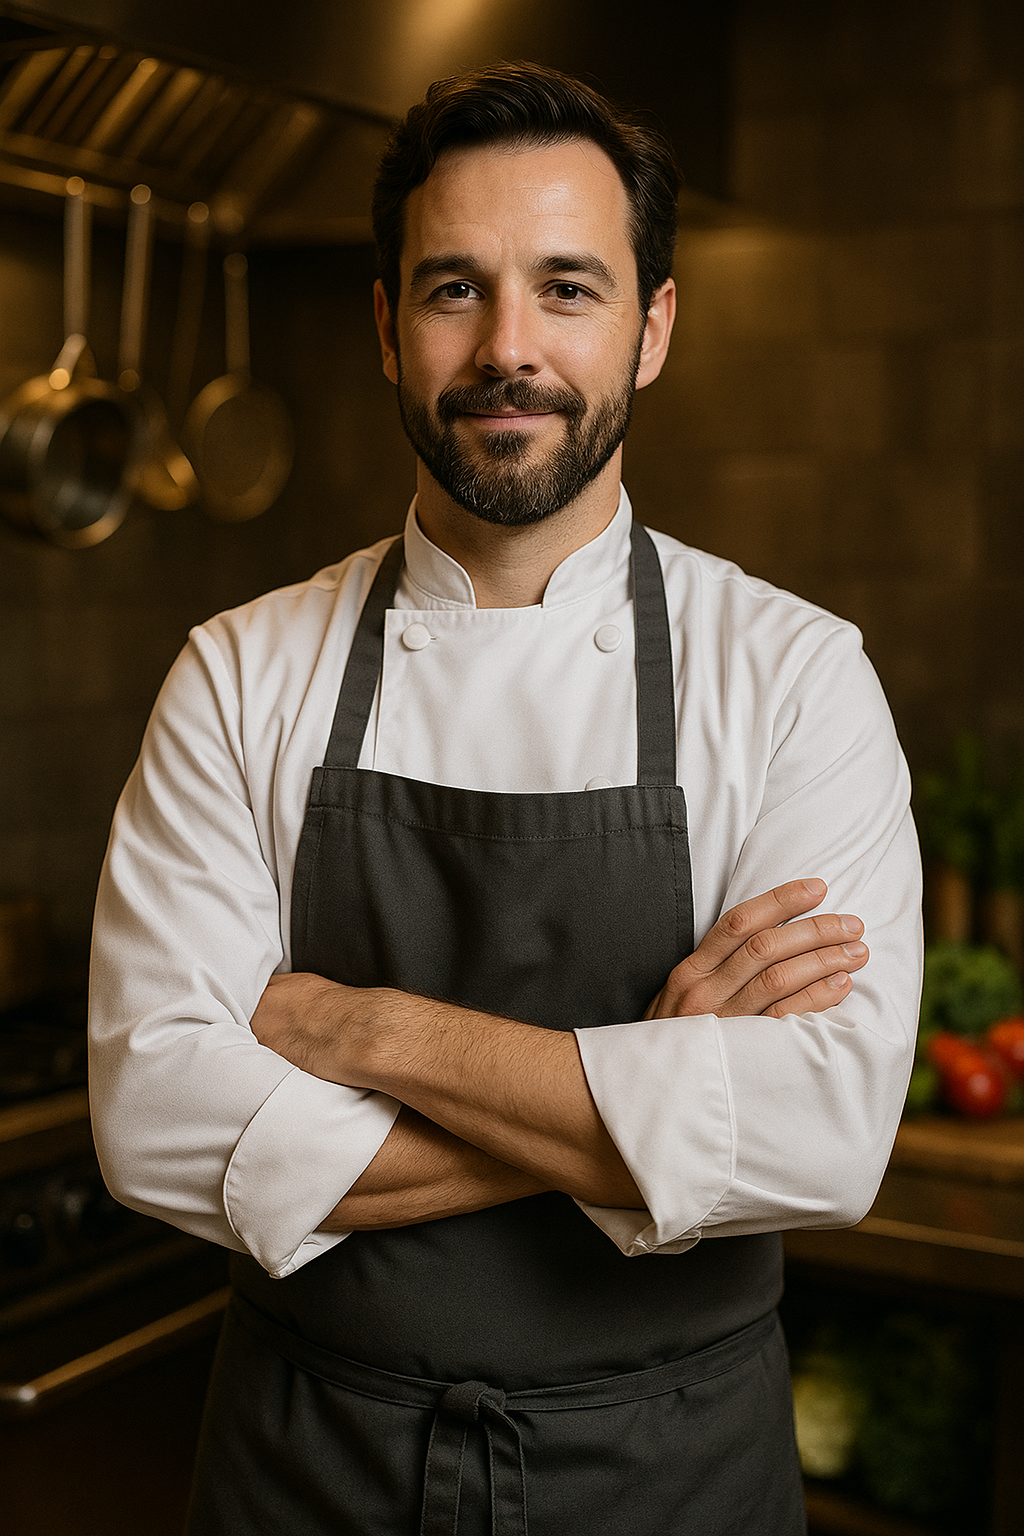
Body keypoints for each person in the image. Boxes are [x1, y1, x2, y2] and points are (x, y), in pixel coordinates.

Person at [88, 62, 922, 1536]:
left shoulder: (794, 677)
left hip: (674, 1478)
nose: (508, 348)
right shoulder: (237, 672)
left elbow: (822, 1135)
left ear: (654, 329)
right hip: (307, 1469)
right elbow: (155, 1120)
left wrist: (365, 1027)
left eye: (570, 289)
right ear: (386, 325)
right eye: (455, 289)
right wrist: (644, 1100)